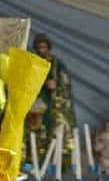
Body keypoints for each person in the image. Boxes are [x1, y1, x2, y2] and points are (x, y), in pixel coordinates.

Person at [27, 34, 77, 169]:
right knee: (35, 136)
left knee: (57, 131)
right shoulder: (31, 63)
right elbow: (26, 83)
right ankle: (33, 164)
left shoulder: (57, 64)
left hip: (54, 105)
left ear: (48, 47)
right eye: (39, 47)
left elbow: (65, 84)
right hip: (37, 105)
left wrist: (57, 85)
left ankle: (57, 166)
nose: (42, 50)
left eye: (44, 47)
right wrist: (42, 85)